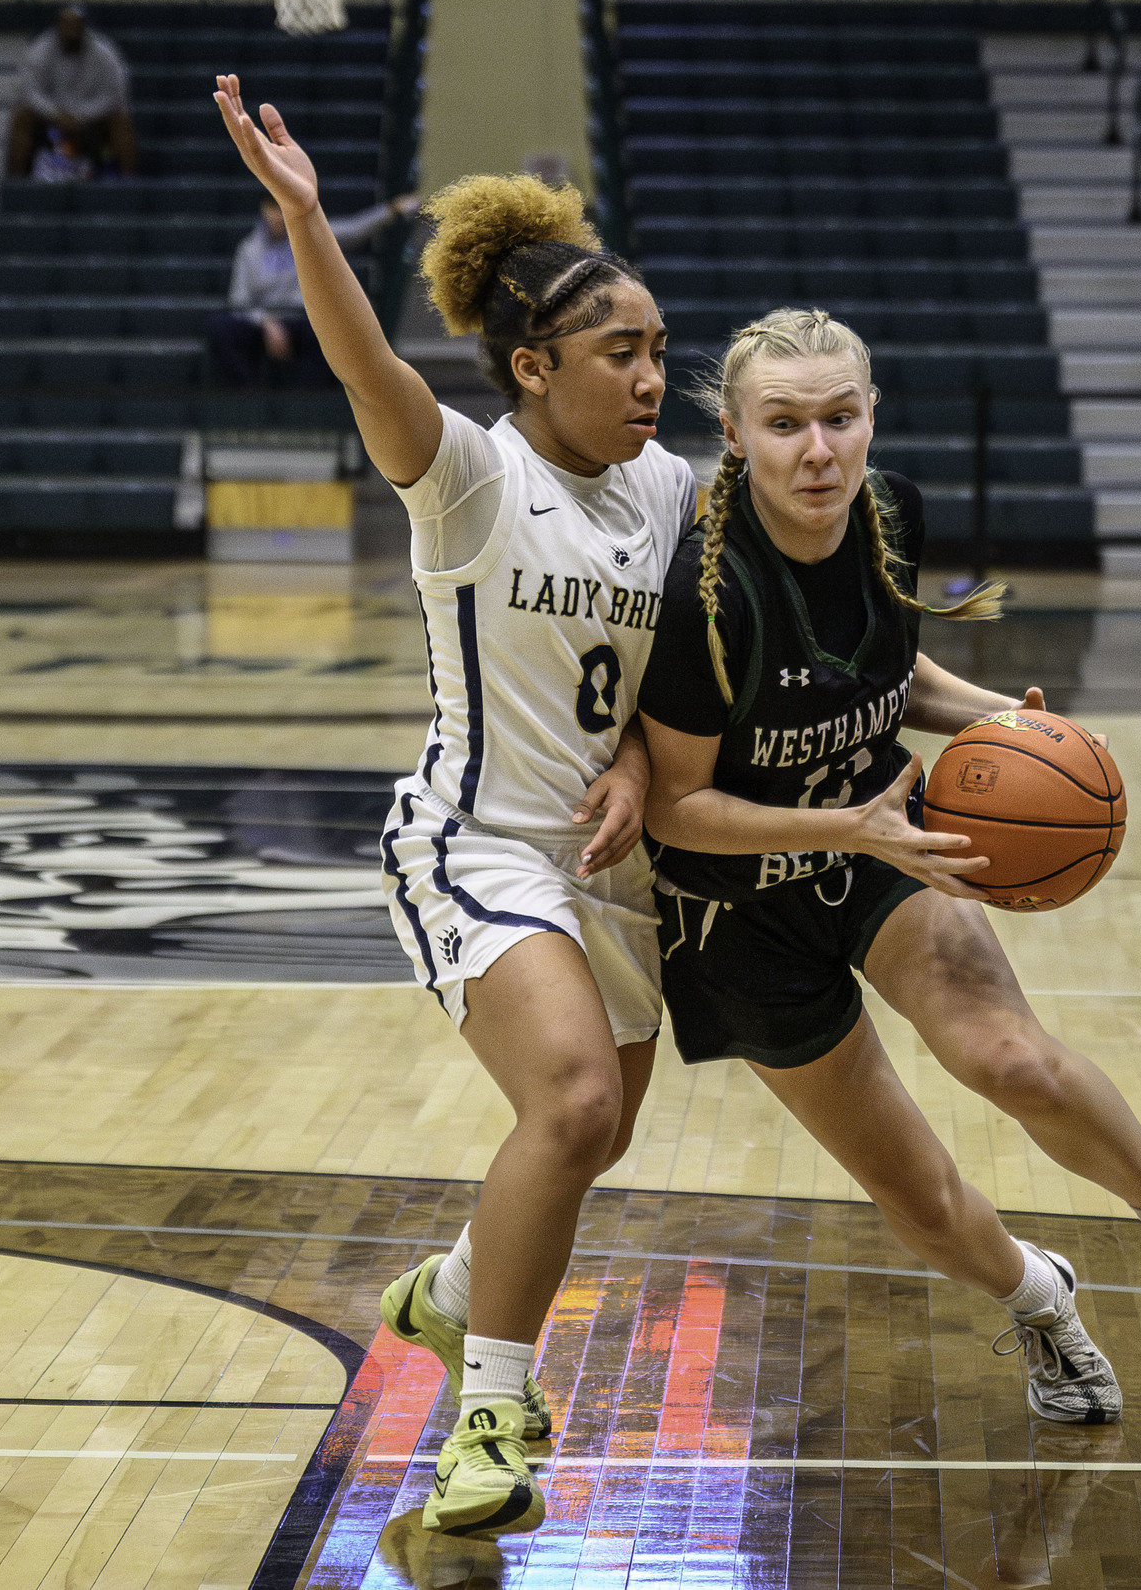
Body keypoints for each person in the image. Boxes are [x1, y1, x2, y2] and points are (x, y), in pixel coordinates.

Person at [636, 309, 1141, 1426]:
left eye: (839, 417)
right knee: (915, 1189)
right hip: (739, 915)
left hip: (886, 843)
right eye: (784, 425)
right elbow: (675, 812)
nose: (816, 450)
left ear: (872, 418)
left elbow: (886, 669)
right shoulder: (704, 597)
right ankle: (1038, 1299)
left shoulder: (889, 511)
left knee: (1009, 1056)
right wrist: (850, 830)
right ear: (733, 435)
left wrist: (1003, 721)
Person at [212, 74, 697, 1539]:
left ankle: (451, 1285)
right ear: (535, 368)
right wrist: (306, 222)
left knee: (587, 1140)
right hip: (476, 846)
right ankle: (485, 1413)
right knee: (573, 1099)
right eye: (622, 352)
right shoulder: (472, 479)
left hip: (616, 868)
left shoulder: (672, 487)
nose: (653, 376)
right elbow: (367, 370)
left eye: (663, 349)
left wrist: (635, 766)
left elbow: (688, 669)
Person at [209, 192, 421, 386]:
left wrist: (391, 210)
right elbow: (239, 297)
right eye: (272, 208)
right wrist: (267, 322)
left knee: (326, 333)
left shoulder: (309, 235)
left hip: (303, 318)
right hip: (263, 321)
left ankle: (307, 401)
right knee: (222, 328)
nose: (277, 215)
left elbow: (354, 230)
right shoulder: (249, 249)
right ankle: (249, 396)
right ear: (263, 209)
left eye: (281, 208)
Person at [5, 4, 136, 179]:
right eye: (66, 24)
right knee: (22, 116)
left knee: (122, 119)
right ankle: (16, 184)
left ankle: (127, 183)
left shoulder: (104, 53)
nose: (71, 30)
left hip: (92, 121)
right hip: (50, 120)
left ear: (85, 26)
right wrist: (56, 114)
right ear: (58, 25)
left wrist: (82, 116)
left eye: (76, 25)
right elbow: (29, 91)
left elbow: (115, 93)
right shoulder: (41, 50)